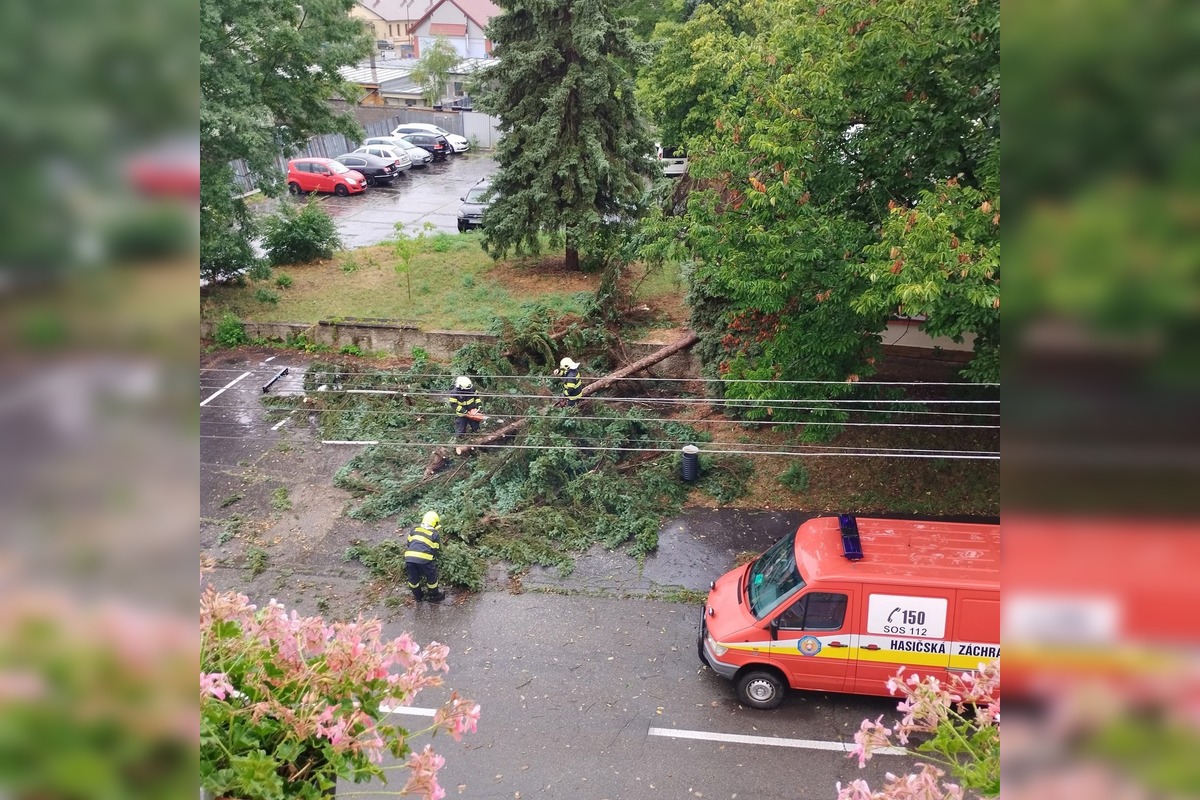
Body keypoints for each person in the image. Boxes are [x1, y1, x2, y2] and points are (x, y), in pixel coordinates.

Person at [404, 510, 445, 602]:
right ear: (435, 523)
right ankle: (434, 595)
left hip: (409, 557)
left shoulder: (414, 529)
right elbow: (435, 549)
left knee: (413, 577)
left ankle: (418, 596)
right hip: (425, 559)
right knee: (431, 575)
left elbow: (409, 543)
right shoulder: (434, 534)